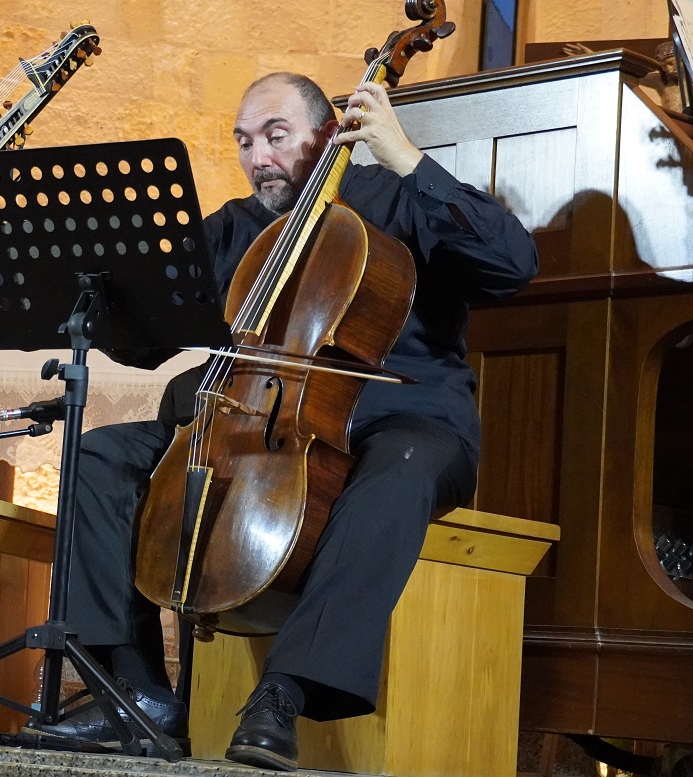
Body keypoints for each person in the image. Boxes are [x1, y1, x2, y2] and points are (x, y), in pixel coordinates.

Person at [29, 72, 538, 769]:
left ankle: (283, 693)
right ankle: (137, 691)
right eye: (243, 141)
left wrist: (408, 158)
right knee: (98, 455)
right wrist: (82, 284)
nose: (257, 157)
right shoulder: (238, 225)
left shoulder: (399, 196)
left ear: (328, 135)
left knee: (398, 475)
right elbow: (143, 340)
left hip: (402, 420)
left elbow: (513, 265)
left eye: (275, 137)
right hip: (261, 420)